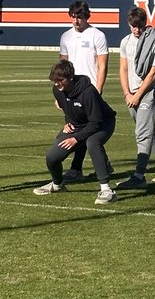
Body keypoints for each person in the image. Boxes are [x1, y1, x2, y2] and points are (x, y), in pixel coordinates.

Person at [33, 59, 117, 205]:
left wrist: (76, 138)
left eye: (60, 80)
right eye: (54, 80)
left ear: (70, 78)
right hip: (78, 126)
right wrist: (67, 123)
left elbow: (95, 122)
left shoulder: (88, 92)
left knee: (92, 143)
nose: (57, 83)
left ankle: (106, 189)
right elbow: (69, 108)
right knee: (52, 156)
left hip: (102, 123)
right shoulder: (57, 90)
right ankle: (58, 185)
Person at [116, 6, 155, 189]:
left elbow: (154, 72)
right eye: (133, 26)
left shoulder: (154, 41)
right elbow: (123, 68)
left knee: (142, 133)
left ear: (144, 24)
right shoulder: (125, 42)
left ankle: (139, 175)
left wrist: (137, 95)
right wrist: (127, 93)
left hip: (148, 92)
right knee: (146, 130)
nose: (136, 30)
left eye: (139, 26)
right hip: (131, 94)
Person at [59, 1, 110, 182]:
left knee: (89, 127)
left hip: (89, 90)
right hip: (72, 90)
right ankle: (93, 165)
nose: (76, 20)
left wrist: (98, 89)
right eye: (73, 16)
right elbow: (62, 66)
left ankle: (77, 168)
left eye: (79, 16)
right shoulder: (66, 36)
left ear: (87, 16)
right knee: (79, 126)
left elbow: (102, 65)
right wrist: (61, 92)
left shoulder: (97, 35)